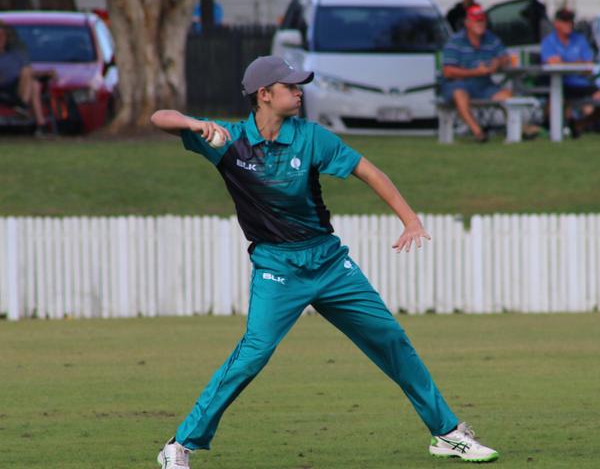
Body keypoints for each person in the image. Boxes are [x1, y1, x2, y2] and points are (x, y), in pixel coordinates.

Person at [150, 55, 499, 468]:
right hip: (277, 268)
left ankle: (446, 433)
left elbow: (369, 172)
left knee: (391, 340)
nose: (300, 92)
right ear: (264, 95)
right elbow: (160, 117)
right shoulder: (228, 139)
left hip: (331, 264)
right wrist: (193, 125)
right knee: (253, 355)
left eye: (299, 86)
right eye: (291, 87)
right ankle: (179, 445)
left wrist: (410, 220)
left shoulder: (312, 137)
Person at [441, 5, 520, 142]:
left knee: (507, 96)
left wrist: (498, 62)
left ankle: (517, 132)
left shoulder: (491, 39)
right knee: (459, 94)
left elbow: (505, 58)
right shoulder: (455, 41)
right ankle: (478, 132)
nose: (480, 24)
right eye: (477, 21)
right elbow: (448, 72)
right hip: (458, 84)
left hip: (484, 85)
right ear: (468, 23)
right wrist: (475, 72)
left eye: (482, 21)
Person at [541, 8, 600, 137]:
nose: (568, 24)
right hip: (562, 84)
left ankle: (580, 124)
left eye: (570, 21)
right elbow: (553, 63)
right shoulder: (549, 42)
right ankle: (554, 131)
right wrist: (578, 63)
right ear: (556, 23)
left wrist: (566, 62)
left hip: (581, 83)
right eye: (564, 21)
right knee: (554, 102)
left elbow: (588, 66)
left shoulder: (579, 40)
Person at [0, 21, 47, 131]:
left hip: (18, 86)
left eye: (2, 35)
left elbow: (30, 71)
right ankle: (30, 113)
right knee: (32, 83)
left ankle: (36, 120)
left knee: (34, 83)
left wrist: (47, 73)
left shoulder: (15, 53)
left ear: (7, 37)